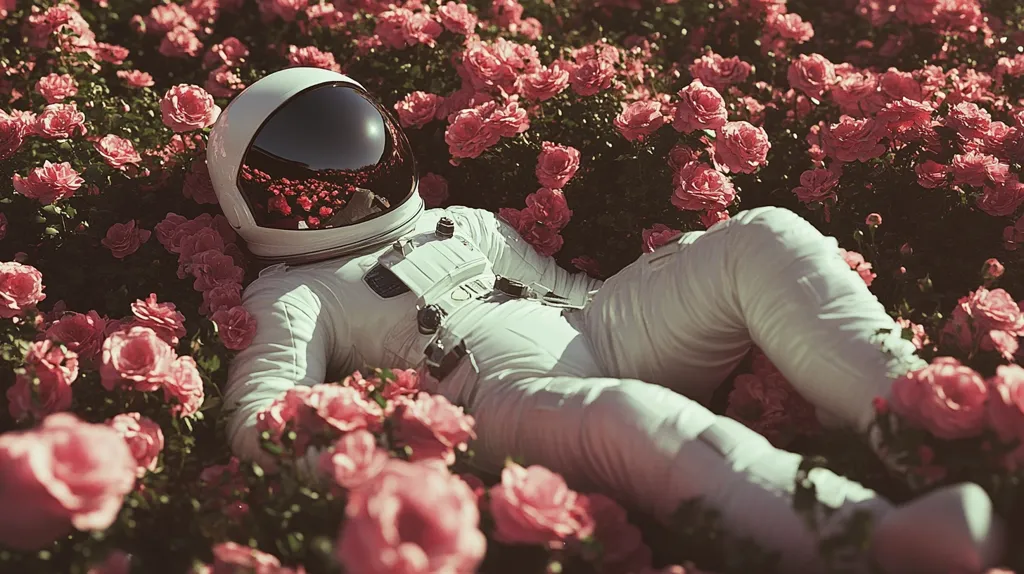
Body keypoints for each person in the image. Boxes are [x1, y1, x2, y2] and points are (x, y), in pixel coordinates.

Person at [207, 67, 1005, 573]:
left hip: (596, 329)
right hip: (499, 401)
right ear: (253, 196)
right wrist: (391, 445)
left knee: (764, 236)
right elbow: (260, 421)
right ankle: (872, 543)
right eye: (315, 169)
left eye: (350, 152)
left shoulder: (467, 223)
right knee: (628, 414)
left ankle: (932, 432)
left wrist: (677, 280)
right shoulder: (292, 293)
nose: (350, 182)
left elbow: (573, 293)